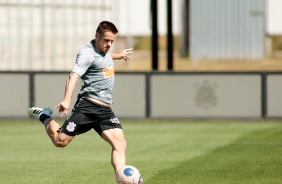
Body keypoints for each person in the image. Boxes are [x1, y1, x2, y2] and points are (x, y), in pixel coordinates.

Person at [28, 21, 139, 182]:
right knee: (60, 141)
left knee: (120, 144)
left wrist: (119, 55)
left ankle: (121, 180)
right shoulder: (86, 53)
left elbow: (104, 56)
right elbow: (73, 76)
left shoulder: (104, 50)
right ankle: (44, 115)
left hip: (104, 109)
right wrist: (67, 100)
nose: (109, 45)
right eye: (106, 40)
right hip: (87, 107)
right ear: (97, 36)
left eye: (112, 42)